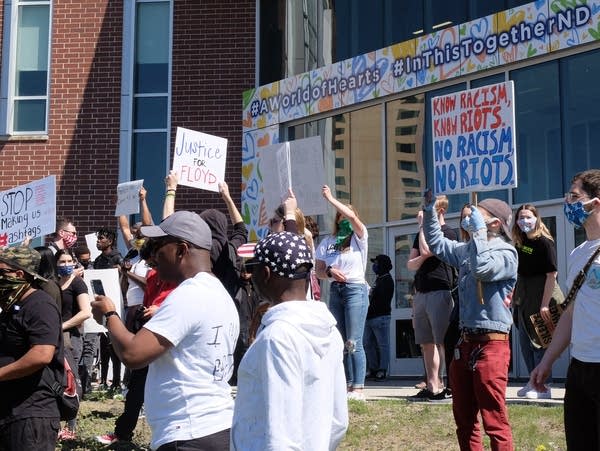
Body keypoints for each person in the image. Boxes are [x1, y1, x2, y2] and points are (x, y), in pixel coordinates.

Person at [91, 210, 239, 450]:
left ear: (181, 250)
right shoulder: (219, 293)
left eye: (159, 246)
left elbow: (133, 354)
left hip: (189, 433)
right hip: (214, 428)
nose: (152, 256)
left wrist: (109, 315)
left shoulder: (189, 294)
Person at [231, 231, 348, 450]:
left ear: (265, 273)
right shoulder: (330, 332)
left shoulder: (277, 338)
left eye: (251, 267)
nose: (250, 274)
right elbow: (338, 422)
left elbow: (280, 436)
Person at [423, 194, 517, 450]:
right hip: (465, 343)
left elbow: (482, 269)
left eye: (476, 214)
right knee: (464, 420)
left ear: (495, 223)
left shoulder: (507, 253)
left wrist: (477, 232)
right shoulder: (467, 249)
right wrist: (430, 212)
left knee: (494, 420)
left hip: (491, 345)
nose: (468, 217)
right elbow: (438, 244)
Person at [530, 169, 600, 450]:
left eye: (574, 196)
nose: (568, 203)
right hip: (580, 368)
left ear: (596, 202)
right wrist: (547, 361)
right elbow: (570, 314)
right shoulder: (577, 252)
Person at [96, 241, 178, 446]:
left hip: (169, 339)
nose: (155, 268)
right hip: (150, 332)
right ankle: (123, 433)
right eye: (151, 264)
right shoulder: (152, 276)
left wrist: (160, 308)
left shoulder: (180, 279)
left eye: (156, 264)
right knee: (136, 386)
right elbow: (149, 298)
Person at [0, 246, 63, 450]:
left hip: (31, 414)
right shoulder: (12, 305)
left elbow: (41, 355)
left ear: (19, 274)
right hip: (9, 410)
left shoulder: (40, 305)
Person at [315, 185, 369, 401]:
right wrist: (329, 272)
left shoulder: (359, 238)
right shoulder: (329, 242)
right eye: (340, 217)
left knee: (353, 340)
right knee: (339, 340)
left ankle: (358, 387)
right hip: (337, 290)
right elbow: (318, 270)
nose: (344, 219)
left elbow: (353, 218)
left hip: (355, 290)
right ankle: (346, 385)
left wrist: (330, 199)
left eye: (347, 215)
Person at [407, 195, 457, 400]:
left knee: (442, 340)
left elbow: (428, 250)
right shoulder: (421, 234)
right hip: (422, 292)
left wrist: (421, 226)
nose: (424, 213)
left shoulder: (448, 232)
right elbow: (411, 264)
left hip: (440, 290)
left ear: (441, 212)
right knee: (426, 342)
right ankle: (432, 384)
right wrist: (421, 256)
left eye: (429, 210)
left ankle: (450, 384)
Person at [511, 203, 562, 400]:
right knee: (525, 341)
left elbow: (552, 275)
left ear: (536, 218)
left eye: (528, 217)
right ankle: (532, 380)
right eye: (521, 217)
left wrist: (544, 304)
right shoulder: (521, 242)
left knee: (540, 341)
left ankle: (543, 385)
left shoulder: (545, 243)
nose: (525, 221)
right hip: (525, 296)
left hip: (543, 294)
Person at [55, 249, 92, 440]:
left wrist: (62, 326)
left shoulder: (78, 283)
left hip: (72, 337)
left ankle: (71, 426)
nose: (66, 264)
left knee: (71, 380)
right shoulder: (52, 283)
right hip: (53, 336)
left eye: (69, 261)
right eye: (62, 261)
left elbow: (85, 312)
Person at [364, 254, 394, 381]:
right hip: (370, 317)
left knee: (382, 345)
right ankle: (373, 368)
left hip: (380, 317)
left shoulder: (387, 280)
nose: (374, 266)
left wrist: (370, 293)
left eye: (376, 263)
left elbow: (381, 299)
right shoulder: (379, 279)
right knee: (367, 343)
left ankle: (382, 370)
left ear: (382, 265)